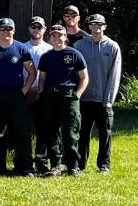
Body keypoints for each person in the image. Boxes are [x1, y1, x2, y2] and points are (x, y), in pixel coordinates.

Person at [0, 18, 36, 176]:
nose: (6, 32)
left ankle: (24, 166)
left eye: (9, 29)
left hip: (16, 94)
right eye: (2, 29)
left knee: (22, 131)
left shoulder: (21, 49)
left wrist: (23, 91)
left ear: (14, 30)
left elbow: (32, 73)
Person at [38, 24, 89, 177]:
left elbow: (84, 78)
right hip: (50, 97)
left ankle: (72, 165)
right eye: (53, 35)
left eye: (59, 35)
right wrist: (41, 89)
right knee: (51, 132)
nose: (56, 38)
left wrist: (77, 94)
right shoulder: (46, 56)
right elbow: (42, 77)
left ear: (65, 37)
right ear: (50, 38)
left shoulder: (74, 54)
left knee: (70, 132)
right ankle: (55, 165)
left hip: (69, 97)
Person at [75, 14, 121, 173]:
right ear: (89, 27)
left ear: (105, 27)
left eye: (100, 24)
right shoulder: (80, 45)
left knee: (105, 134)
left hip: (103, 100)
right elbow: (75, 73)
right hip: (84, 99)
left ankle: (104, 165)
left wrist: (108, 100)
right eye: (93, 24)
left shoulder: (113, 46)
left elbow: (115, 75)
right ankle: (80, 165)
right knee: (82, 134)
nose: (96, 27)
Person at [23, 16, 53, 173]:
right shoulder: (21, 47)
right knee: (24, 129)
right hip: (25, 93)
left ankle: (41, 161)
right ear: (29, 29)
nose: (36, 30)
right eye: (33, 27)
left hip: (43, 94)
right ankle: (25, 162)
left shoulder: (49, 49)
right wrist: (26, 90)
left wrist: (40, 90)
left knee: (43, 129)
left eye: (39, 27)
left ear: (44, 29)